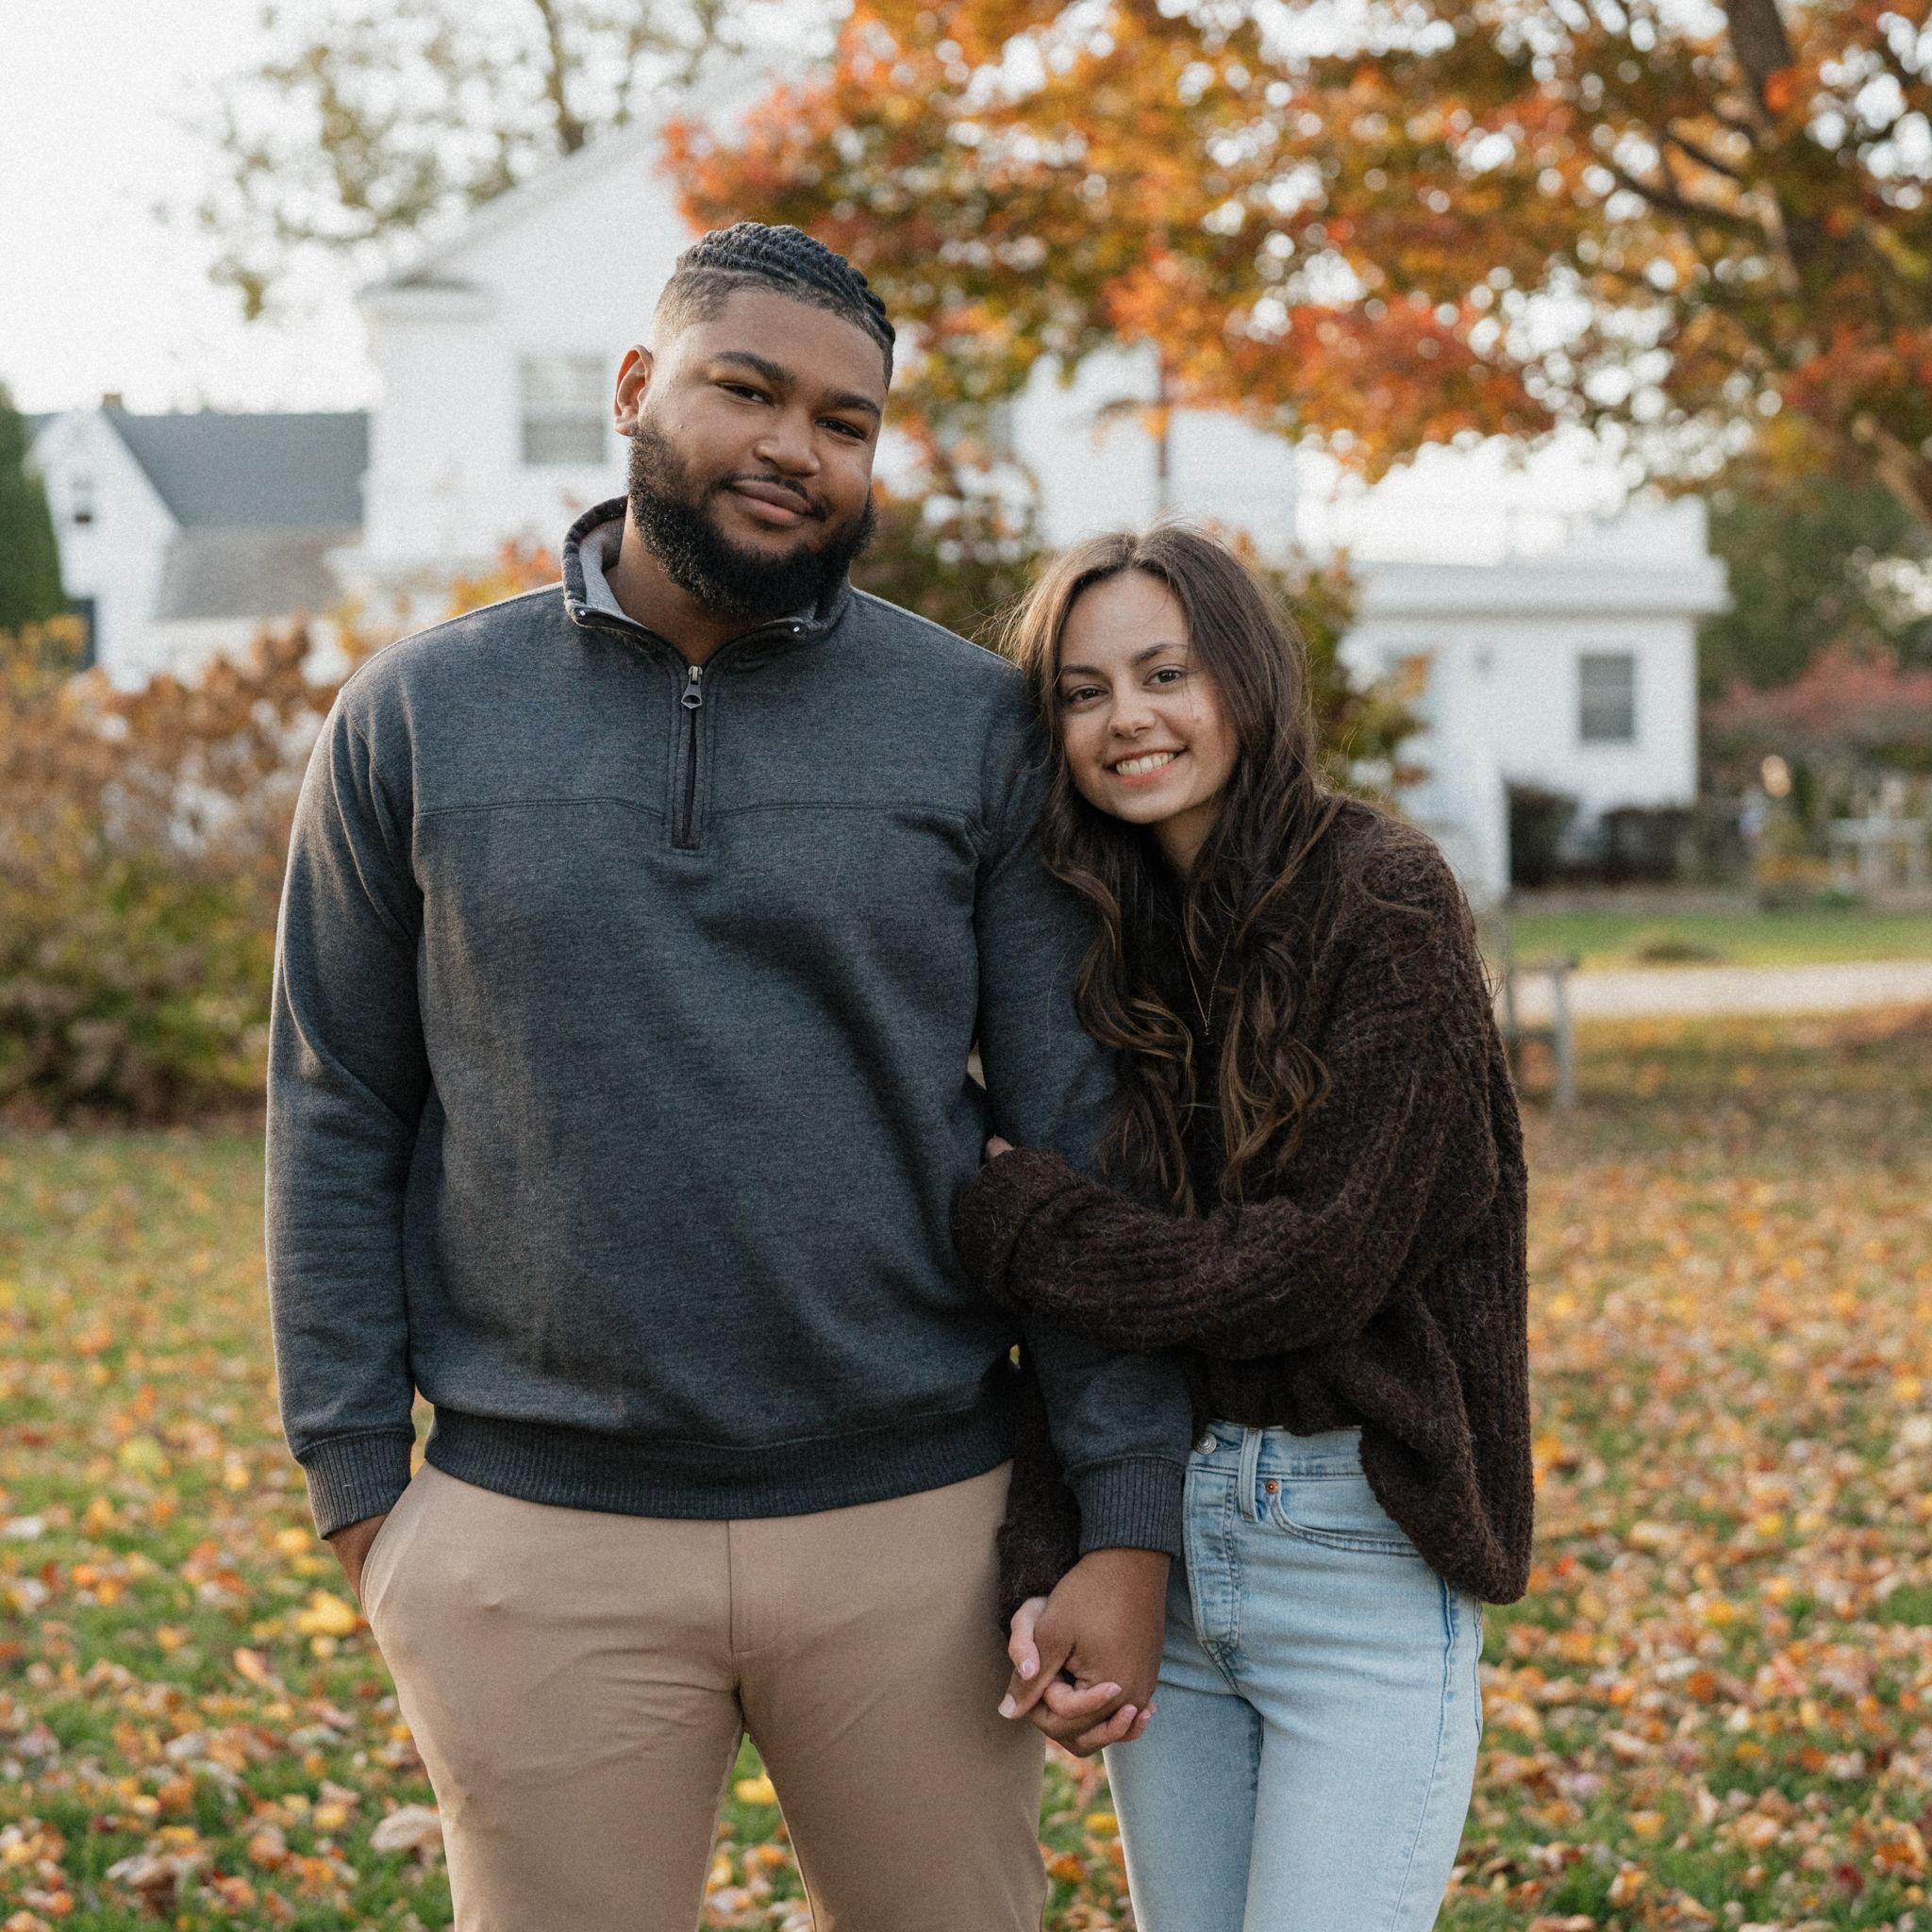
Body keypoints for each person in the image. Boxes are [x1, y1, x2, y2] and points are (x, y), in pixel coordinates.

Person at [264, 223, 1191, 1932]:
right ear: (638, 390)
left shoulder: (974, 727)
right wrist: (362, 1503)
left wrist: (1125, 1516)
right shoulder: (416, 719)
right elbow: (338, 1111)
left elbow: (1079, 1141)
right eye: (748, 390)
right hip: (534, 1537)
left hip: (921, 1524)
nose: (797, 448)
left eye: (847, 421)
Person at [957, 525, 1534, 1932]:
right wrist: (1058, 1554)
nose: (1128, 719)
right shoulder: (1093, 933)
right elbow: (1082, 1331)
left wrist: (1028, 1221)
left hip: (1357, 1542)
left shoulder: (1382, 898)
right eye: (1083, 693)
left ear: (1248, 679)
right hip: (1163, 1539)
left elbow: (1320, 1259)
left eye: (1166, 673)